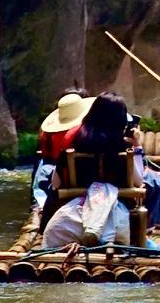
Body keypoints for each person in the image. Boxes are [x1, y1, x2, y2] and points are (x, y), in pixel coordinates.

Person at [39, 93, 135, 248]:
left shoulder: (75, 141)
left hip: (74, 202)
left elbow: (56, 183)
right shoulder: (123, 147)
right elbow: (137, 182)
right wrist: (138, 149)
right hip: (118, 203)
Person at [31, 92, 93, 211]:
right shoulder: (86, 134)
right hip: (83, 177)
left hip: (61, 176)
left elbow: (47, 157)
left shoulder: (49, 135)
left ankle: (39, 208)